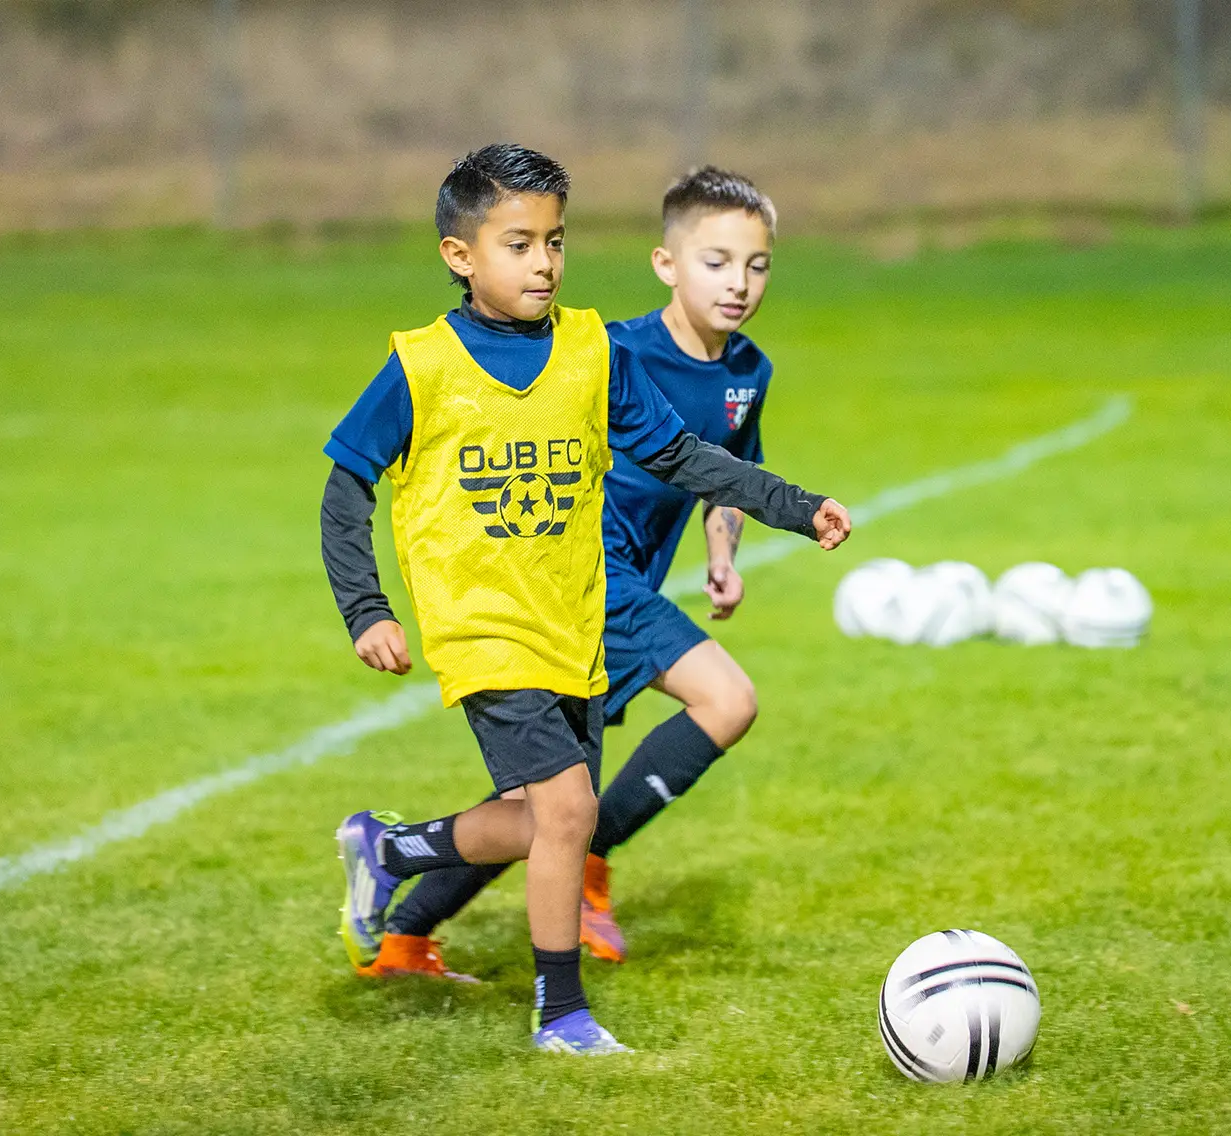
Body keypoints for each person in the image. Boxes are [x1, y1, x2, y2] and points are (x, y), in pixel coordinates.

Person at [318, 145, 851, 1056]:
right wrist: (367, 608)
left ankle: (393, 853)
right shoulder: (421, 367)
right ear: (460, 257)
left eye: (554, 243)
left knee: (547, 820)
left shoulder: (590, 351)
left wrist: (792, 508)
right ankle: (560, 1016)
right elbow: (346, 486)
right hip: (486, 627)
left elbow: (687, 458)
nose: (544, 264)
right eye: (519, 244)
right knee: (567, 812)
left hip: (577, 617)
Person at [372, 167, 788, 975]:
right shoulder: (611, 351)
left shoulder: (749, 373)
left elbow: (726, 472)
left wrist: (722, 554)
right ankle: (586, 870)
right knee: (725, 700)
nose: (737, 283)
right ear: (667, 264)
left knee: (543, 807)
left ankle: (404, 932)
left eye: (756, 264)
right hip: (584, 580)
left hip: (614, 593)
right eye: (716, 261)